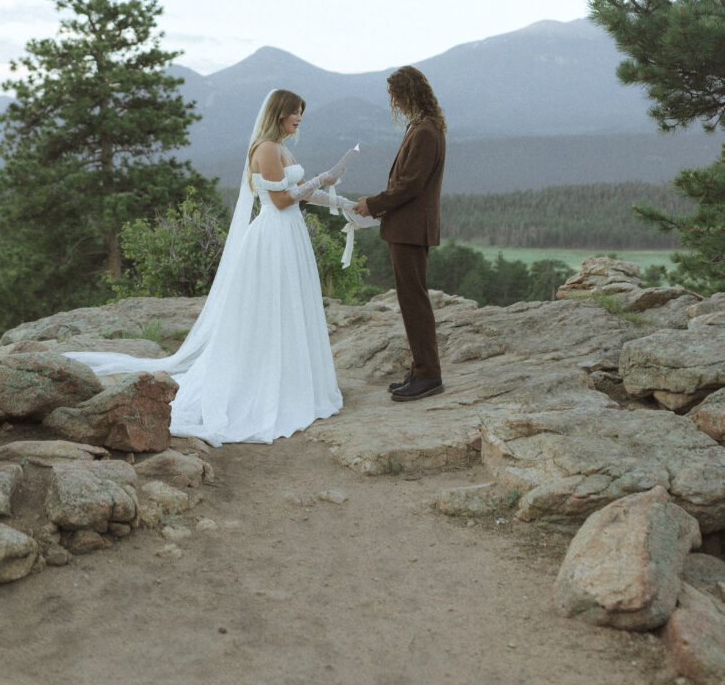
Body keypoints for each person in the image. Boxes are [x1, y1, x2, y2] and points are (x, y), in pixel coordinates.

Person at [65, 89, 361, 446]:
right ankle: (263, 386)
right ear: (279, 113)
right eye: (294, 112)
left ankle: (290, 380)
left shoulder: (282, 147)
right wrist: (325, 177)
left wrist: (345, 204)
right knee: (269, 309)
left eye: (301, 112)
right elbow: (282, 201)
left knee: (289, 306)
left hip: (290, 236)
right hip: (273, 235)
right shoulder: (266, 149)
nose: (299, 118)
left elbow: (302, 193)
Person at [354, 66, 446, 401]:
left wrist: (372, 204)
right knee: (412, 300)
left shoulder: (424, 132)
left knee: (414, 301)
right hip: (407, 229)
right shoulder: (424, 127)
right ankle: (421, 368)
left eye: (396, 95)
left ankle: (429, 375)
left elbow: (410, 186)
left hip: (410, 229)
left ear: (408, 94)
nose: (394, 101)